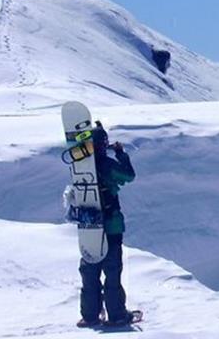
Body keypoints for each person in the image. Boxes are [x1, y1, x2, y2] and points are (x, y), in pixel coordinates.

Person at [77, 125, 136, 328]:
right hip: (111, 226)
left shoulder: (80, 166)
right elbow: (129, 176)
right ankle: (116, 315)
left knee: (90, 270)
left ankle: (90, 316)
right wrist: (120, 153)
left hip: (88, 227)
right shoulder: (107, 165)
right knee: (112, 271)